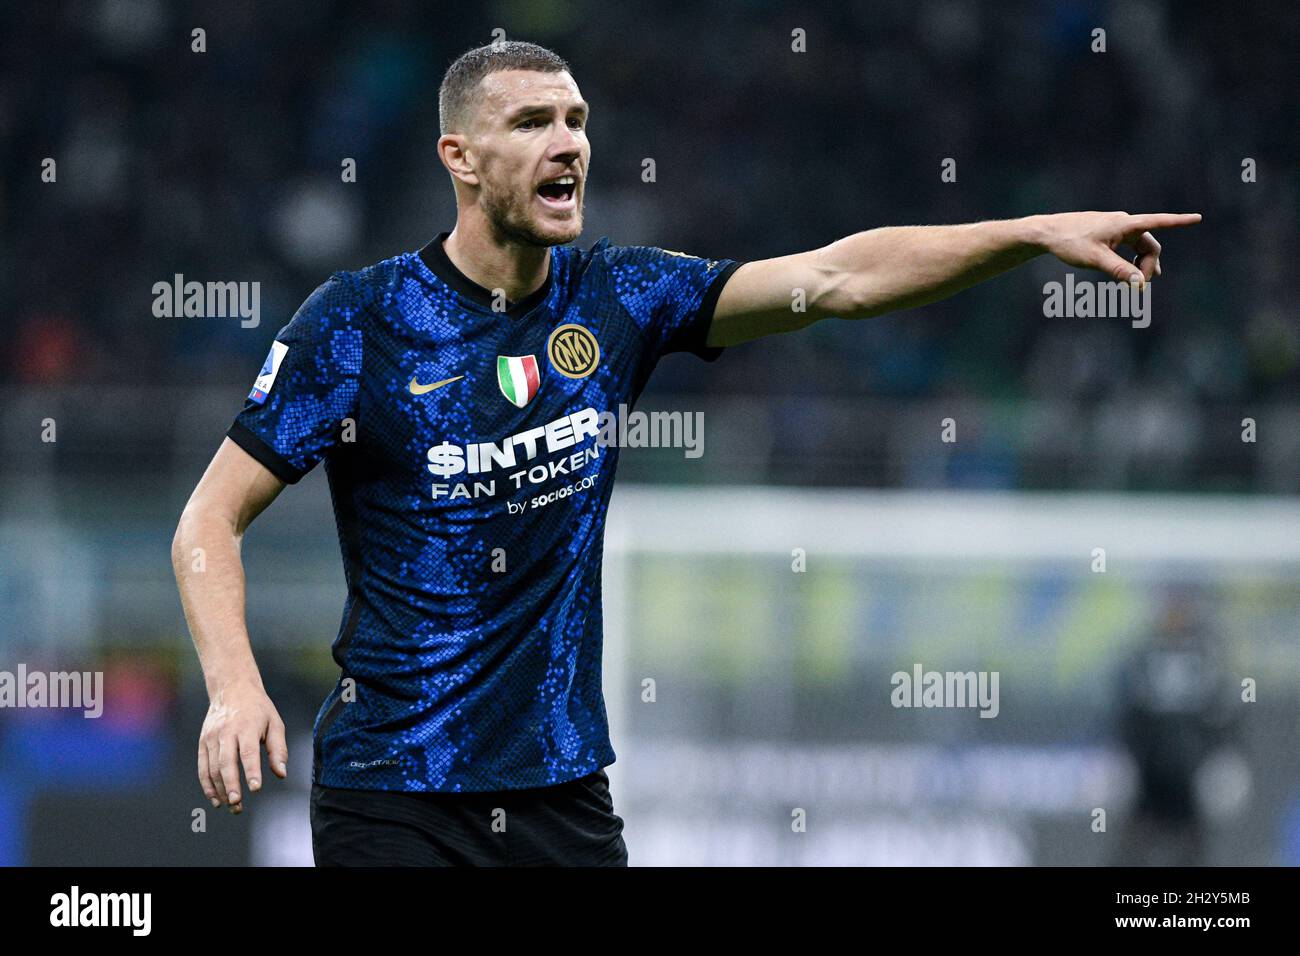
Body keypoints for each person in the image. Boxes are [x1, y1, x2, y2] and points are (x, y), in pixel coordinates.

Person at [171, 39, 1201, 866]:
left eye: (576, 120)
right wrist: (233, 682)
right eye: (531, 122)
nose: (567, 142)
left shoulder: (619, 295)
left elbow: (839, 277)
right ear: (458, 157)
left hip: (559, 791)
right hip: (390, 793)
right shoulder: (356, 321)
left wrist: (1027, 233)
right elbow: (207, 520)